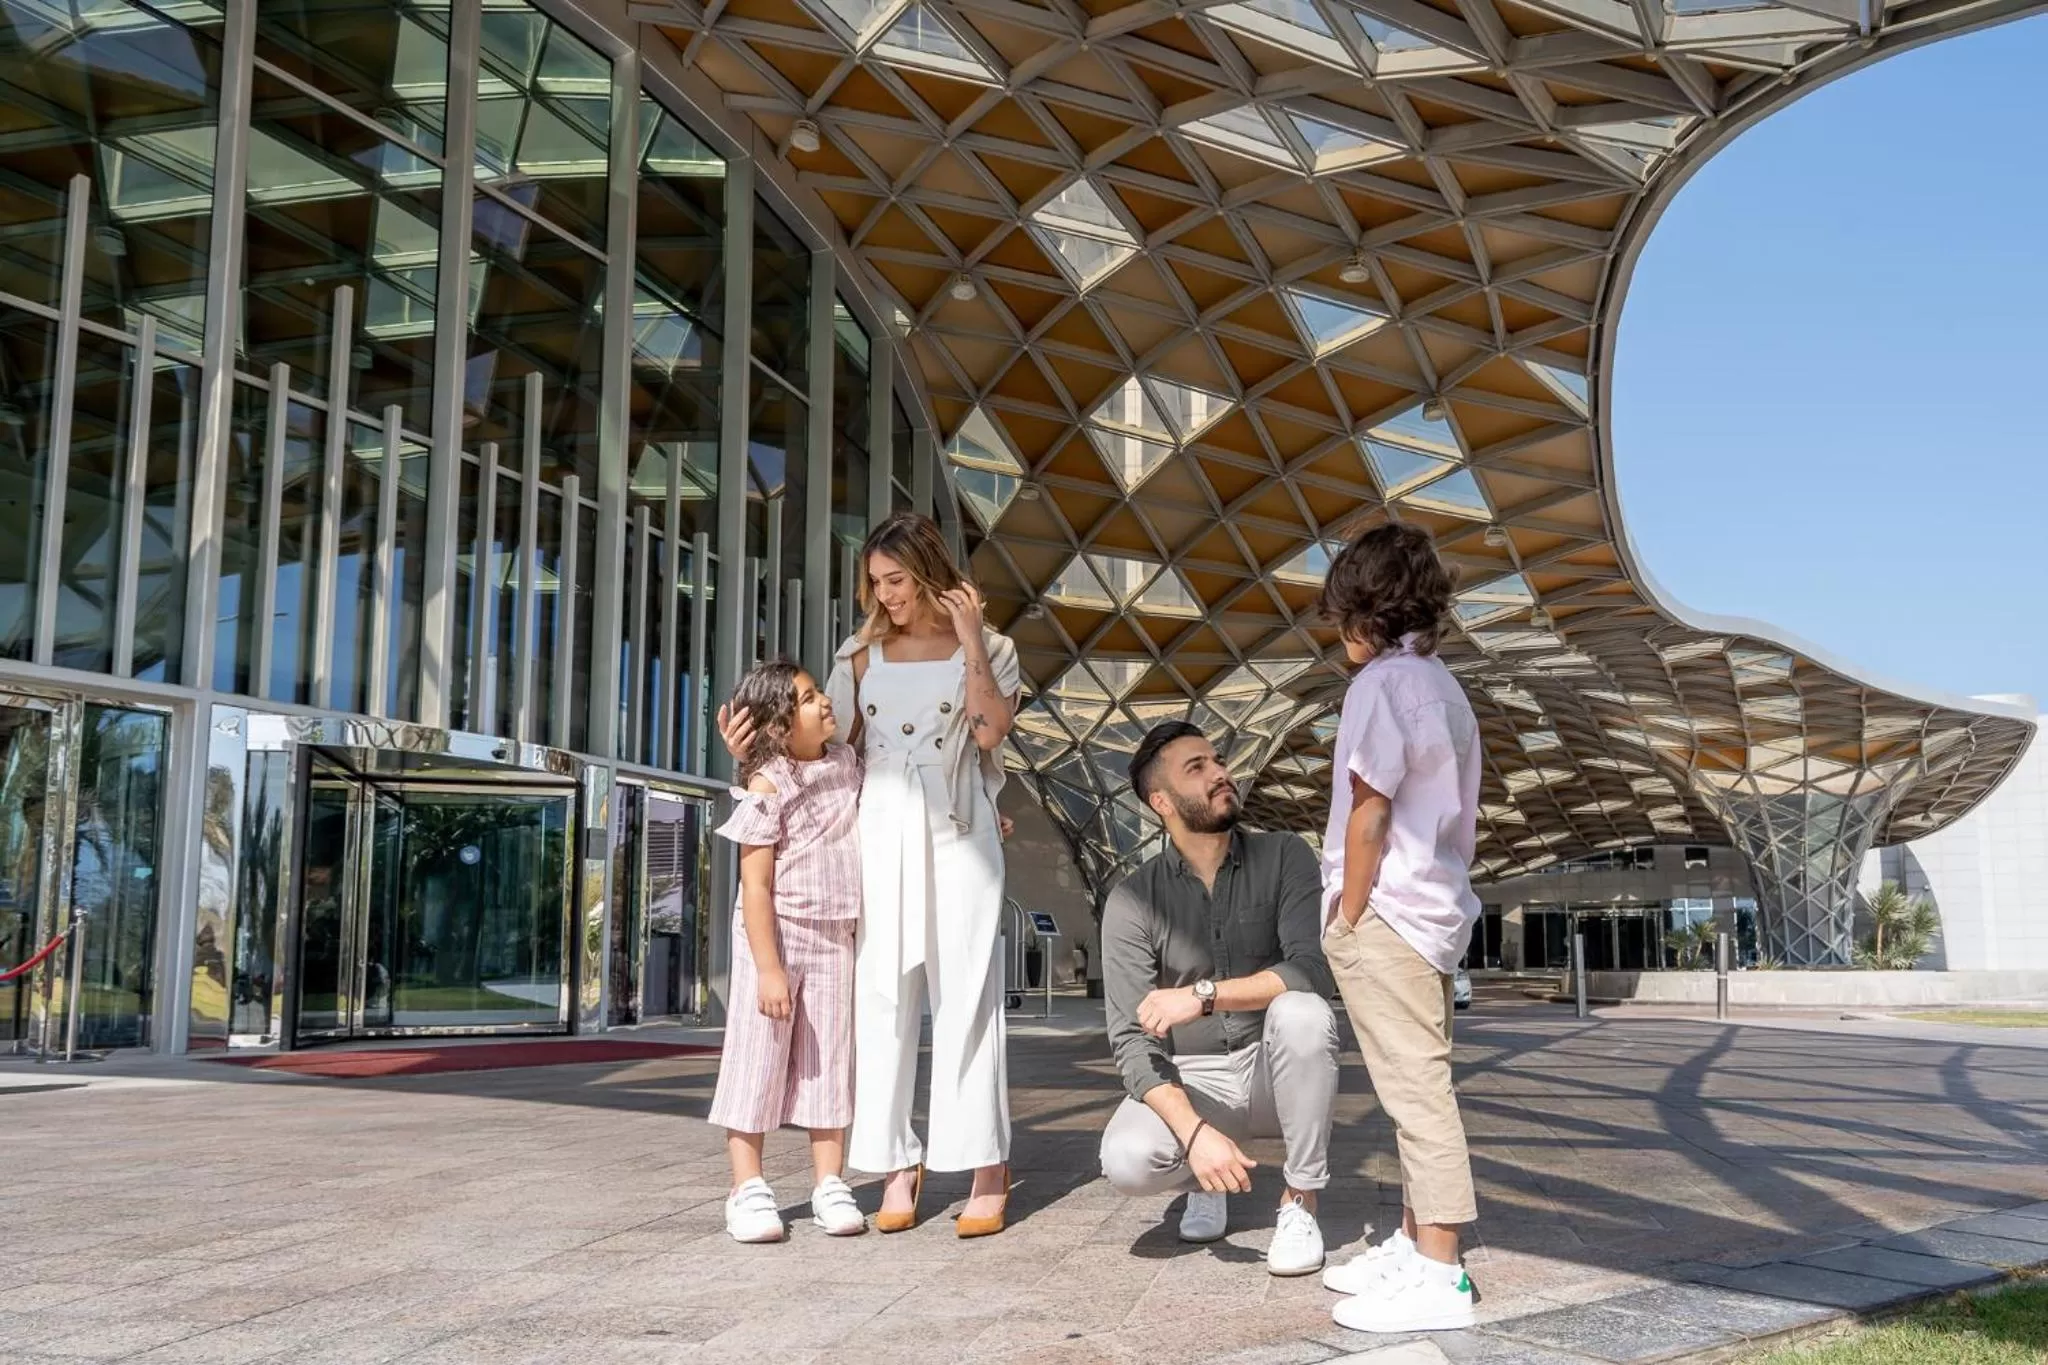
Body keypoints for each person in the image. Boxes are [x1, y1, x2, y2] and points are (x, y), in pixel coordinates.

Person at [721, 512, 1019, 1237]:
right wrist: (748, 755)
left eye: (897, 580)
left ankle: (985, 1165)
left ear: (928, 569)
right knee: (881, 993)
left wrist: (973, 638)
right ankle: (894, 1160)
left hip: (961, 825)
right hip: (878, 828)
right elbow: (819, 748)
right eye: (876, 583)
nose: (886, 596)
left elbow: (989, 731)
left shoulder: (993, 644)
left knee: (968, 990)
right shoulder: (858, 653)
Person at [1313, 522, 1483, 1332]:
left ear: (1364, 610)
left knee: (1418, 1092)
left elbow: (1369, 809)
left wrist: (1347, 911)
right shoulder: (1441, 682)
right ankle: (1416, 1245)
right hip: (1434, 904)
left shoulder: (1379, 686)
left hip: (1388, 908)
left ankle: (1441, 1272)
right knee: (1416, 1081)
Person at [1096, 721, 1340, 1277]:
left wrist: (1203, 996)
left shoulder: (1284, 855)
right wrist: (1196, 1134)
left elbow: (1311, 968)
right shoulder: (1134, 899)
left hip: (1269, 1071)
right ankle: (1204, 1176)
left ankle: (1300, 1200)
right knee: (1128, 1162)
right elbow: (1131, 1043)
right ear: (1161, 801)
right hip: (1193, 1075)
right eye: (1197, 768)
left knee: (1303, 1012)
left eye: (1217, 761)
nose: (1220, 774)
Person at [709, 660, 866, 1244]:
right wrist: (769, 969)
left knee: (829, 1064)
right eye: (806, 698)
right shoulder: (767, 783)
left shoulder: (848, 765)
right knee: (758, 1059)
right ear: (777, 723)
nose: (824, 701)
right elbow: (755, 886)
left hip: (835, 936)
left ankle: (829, 1182)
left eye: (819, 691)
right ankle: (746, 1188)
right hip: (774, 938)